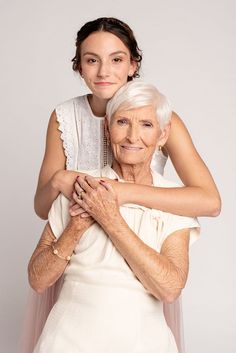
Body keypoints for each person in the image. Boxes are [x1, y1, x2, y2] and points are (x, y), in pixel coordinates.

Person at [20, 17, 220, 353]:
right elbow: (43, 207)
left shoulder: (155, 115)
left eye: (116, 59)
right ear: (79, 66)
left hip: (142, 243)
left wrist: (118, 193)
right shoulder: (64, 117)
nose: (103, 72)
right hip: (79, 247)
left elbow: (210, 202)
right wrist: (59, 181)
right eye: (91, 60)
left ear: (132, 65)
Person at [28, 81, 200, 353]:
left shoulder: (174, 200)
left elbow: (169, 288)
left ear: (163, 134)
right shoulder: (80, 186)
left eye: (146, 125)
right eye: (122, 122)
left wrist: (109, 219)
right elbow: (37, 280)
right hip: (65, 343)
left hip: (144, 344)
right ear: (107, 129)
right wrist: (76, 228)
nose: (133, 137)